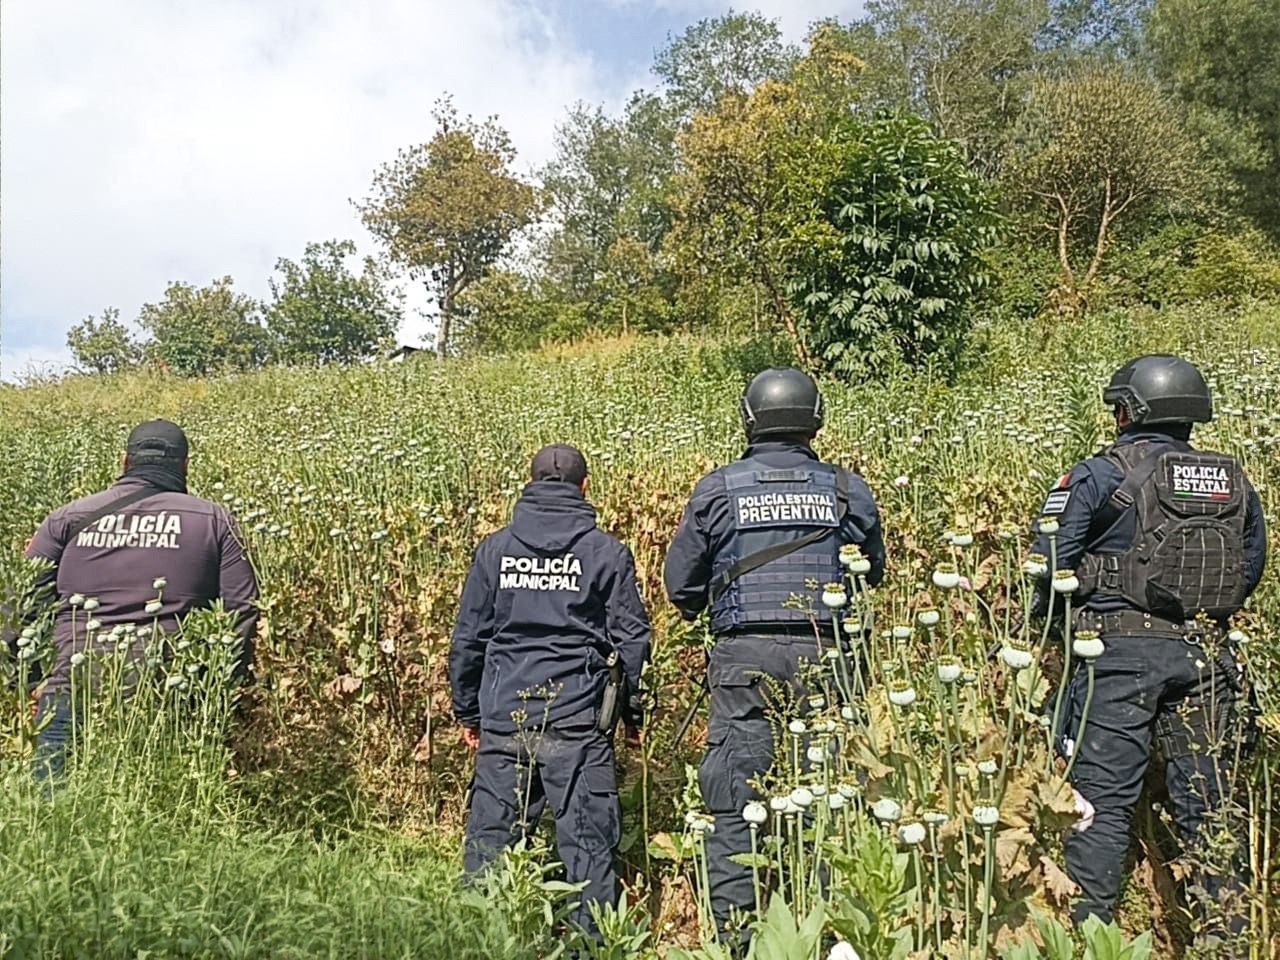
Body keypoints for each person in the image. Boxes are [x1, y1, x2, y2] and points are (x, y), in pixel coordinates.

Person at [1030, 355, 1266, 935]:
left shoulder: (1101, 474)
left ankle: (1091, 935)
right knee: (1209, 809)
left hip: (1118, 659)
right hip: (1206, 658)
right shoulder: (1232, 479)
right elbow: (1252, 565)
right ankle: (1225, 937)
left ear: (1128, 410)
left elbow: (1047, 560)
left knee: (1100, 806)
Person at [663, 367, 886, 938]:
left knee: (735, 796)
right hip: (828, 656)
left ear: (749, 417)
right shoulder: (845, 488)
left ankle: (737, 935)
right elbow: (874, 571)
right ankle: (833, 933)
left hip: (746, 656)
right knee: (832, 795)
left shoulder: (719, 488)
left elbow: (681, 583)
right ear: (815, 419)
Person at [449, 443, 651, 938]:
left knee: (490, 847)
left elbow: (468, 638)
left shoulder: (495, 550)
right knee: (588, 850)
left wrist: (469, 714)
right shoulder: (605, 551)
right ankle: (593, 947)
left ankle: (482, 945)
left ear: (530, 484)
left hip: (506, 717)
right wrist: (631, 715)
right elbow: (633, 642)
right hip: (578, 722)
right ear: (585, 488)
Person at [20, 419, 259, 780]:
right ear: (185, 466)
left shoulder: (66, 518)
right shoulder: (214, 520)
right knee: (157, 810)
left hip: (71, 685)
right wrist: (220, 688)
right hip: (166, 690)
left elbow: (22, 603)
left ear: (125, 461)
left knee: (52, 812)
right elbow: (241, 609)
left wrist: (27, 679)